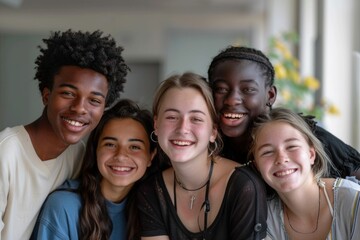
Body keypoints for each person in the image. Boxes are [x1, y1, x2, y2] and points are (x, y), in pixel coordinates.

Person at [0, 29, 129, 239]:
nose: (80, 108)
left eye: (94, 100)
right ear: (46, 95)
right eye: (68, 94)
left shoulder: (78, 154)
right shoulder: (6, 152)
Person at [137, 72, 267, 240]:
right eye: (172, 117)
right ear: (156, 124)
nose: (182, 128)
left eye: (196, 119)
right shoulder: (151, 191)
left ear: (213, 131)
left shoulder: (243, 186)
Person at [207, 46, 360, 179]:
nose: (232, 100)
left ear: (270, 95)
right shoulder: (205, 147)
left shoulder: (306, 139)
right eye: (221, 89)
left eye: (248, 90)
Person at [31, 99, 156, 240]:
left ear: (151, 156)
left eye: (134, 147)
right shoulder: (63, 206)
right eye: (110, 144)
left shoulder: (152, 211)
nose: (121, 156)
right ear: (95, 149)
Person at [249, 107, 360, 240]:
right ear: (257, 166)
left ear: (311, 154)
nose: (281, 158)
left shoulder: (353, 201)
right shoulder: (264, 217)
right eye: (267, 152)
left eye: (292, 146)